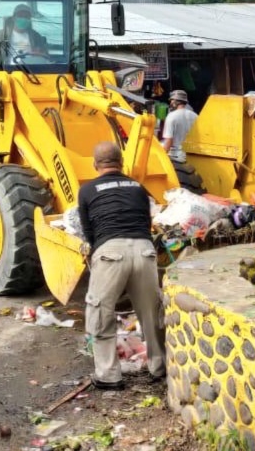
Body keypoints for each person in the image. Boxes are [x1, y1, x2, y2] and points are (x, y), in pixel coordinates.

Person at [77, 142, 166, 390]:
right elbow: (147, 222)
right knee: (151, 313)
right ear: (122, 163)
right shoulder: (138, 187)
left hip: (110, 252)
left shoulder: (87, 190)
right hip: (144, 251)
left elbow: (88, 231)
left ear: (95, 165)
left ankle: (108, 376)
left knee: (101, 313)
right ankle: (159, 367)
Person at [0, 3, 49, 73]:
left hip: (31, 72)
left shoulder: (36, 36)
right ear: (14, 18)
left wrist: (39, 55)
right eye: (20, 16)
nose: (23, 19)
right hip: (8, 72)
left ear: (30, 19)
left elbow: (46, 56)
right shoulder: (2, 35)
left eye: (26, 17)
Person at [160, 90, 197, 163]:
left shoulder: (171, 116)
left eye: (171, 100)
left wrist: (161, 158)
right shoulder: (195, 116)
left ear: (175, 101)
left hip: (175, 156)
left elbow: (168, 141)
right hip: (190, 155)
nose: (170, 103)